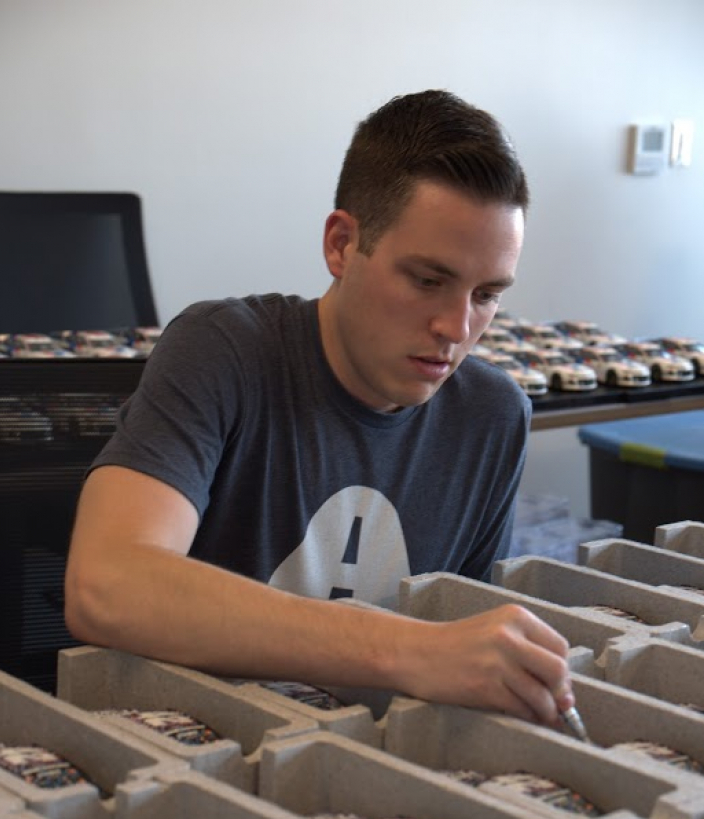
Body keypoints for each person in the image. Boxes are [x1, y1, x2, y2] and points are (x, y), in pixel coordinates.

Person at [64, 89, 574, 726]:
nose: (456, 326)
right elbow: (107, 584)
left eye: (487, 295)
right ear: (341, 245)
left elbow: (463, 641)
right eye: (427, 280)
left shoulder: (493, 417)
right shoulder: (224, 351)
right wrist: (406, 649)